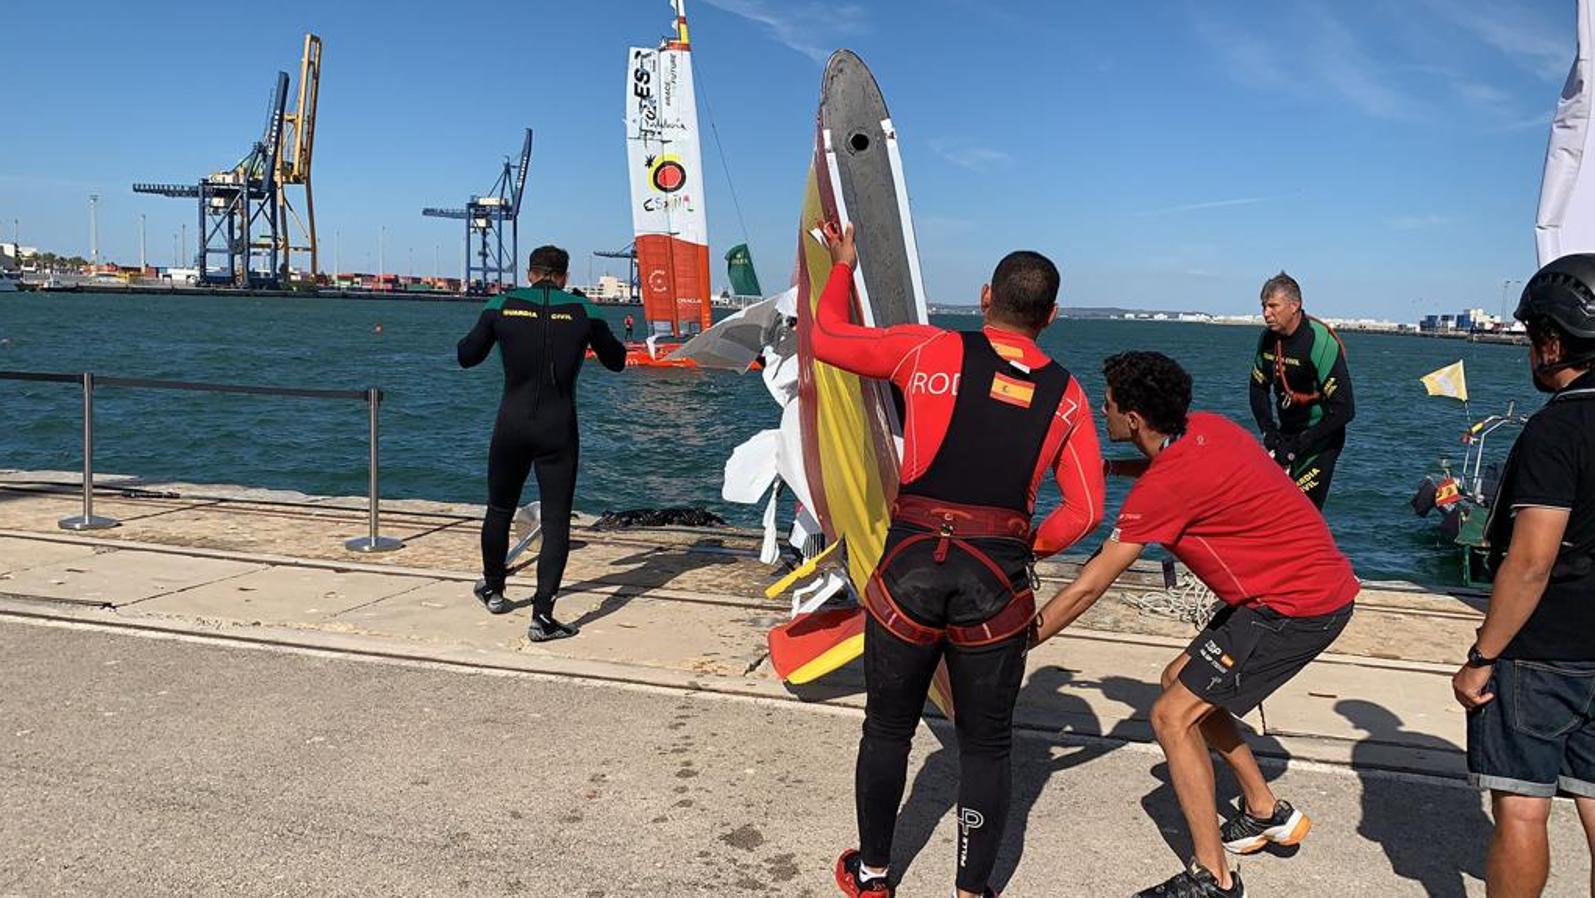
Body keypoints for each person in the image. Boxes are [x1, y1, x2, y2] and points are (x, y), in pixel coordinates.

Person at [816, 224, 1105, 898]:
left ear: (983, 297)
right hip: (994, 583)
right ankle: (971, 889)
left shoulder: (928, 350)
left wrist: (841, 266)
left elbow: (827, 337)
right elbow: (1085, 511)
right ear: (1051, 317)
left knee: (887, 727)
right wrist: (1020, 545)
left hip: (910, 569)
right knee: (986, 746)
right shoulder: (1066, 395)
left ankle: (875, 874)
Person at [1033, 351, 1358, 898]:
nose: (1102, 412)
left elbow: (1092, 584)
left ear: (1133, 418)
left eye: (1108, 405)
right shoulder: (1210, 429)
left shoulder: (1162, 490)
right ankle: (1262, 808)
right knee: (1177, 681)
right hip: (1298, 589)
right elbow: (1177, 472)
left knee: (1171, 717)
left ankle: (1214, 878)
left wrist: (1020, 639)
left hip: (1292, 608)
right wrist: (1110, 470)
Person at [1455, 254, 1595, 898]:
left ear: (1555, 338)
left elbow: (1531, 559)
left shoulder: (1556, 429)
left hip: (1543, 651)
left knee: (1522, 806)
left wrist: (1483, 654)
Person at [456, 245, 626, 641]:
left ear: (531, 273)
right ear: (564, 276)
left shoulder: (502, 304)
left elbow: (466, 356)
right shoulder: (584, 310)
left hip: (511, 425)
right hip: (558, 428)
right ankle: (542, 617)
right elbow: (616, 359)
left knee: (499, 509)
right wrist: (586, 326)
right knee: (555, 522)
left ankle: (494, 591)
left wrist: (497, 324)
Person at [1247, 272, 1354, 508]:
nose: (1266, 313)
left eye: (1273, 306)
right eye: (1264, 306)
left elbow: (1344, 409)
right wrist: (1268, 431)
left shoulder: (1320, 341)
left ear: (1295, 305)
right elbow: (1257, 387)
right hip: (1285, 435)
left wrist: (1301, 443)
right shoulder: (1267, 339)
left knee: (1300, 510)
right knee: (1267, 507)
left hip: (1320, 440)